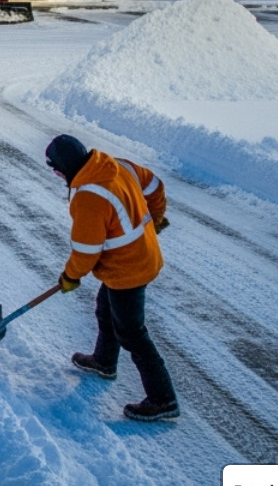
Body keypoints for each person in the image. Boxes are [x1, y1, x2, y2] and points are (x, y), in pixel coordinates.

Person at [44, 134, 178, 422]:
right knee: (105, 310)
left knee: (132, 333)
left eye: (56, 170)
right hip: (139, 255)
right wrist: (155, 217)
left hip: (128, 268)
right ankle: (104, 361)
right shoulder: (114, 165)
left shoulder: (89, 197)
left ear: (65, 167)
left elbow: (86, 250)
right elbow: (154, 185)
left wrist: (70, 276)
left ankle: (163, 399)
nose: (57, 176)